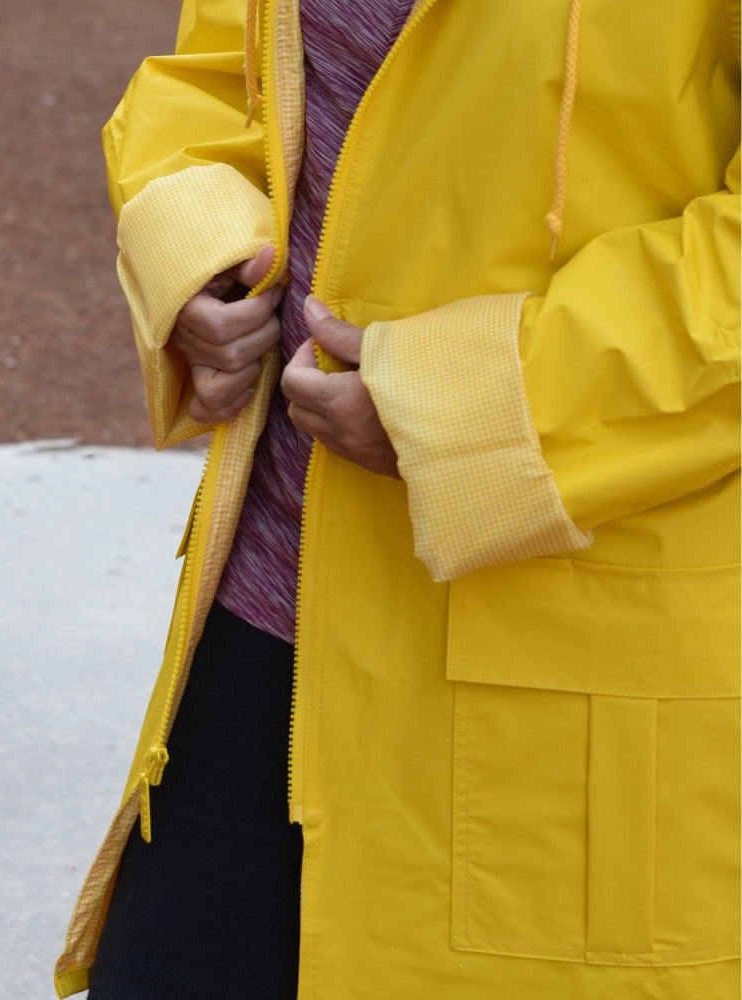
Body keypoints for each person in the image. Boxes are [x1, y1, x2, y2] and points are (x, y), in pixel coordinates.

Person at [56, 0, 741, 997]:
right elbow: (227, 63)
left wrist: (470, 409)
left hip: (572, 685)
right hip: (260, 627)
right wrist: (198, 240)